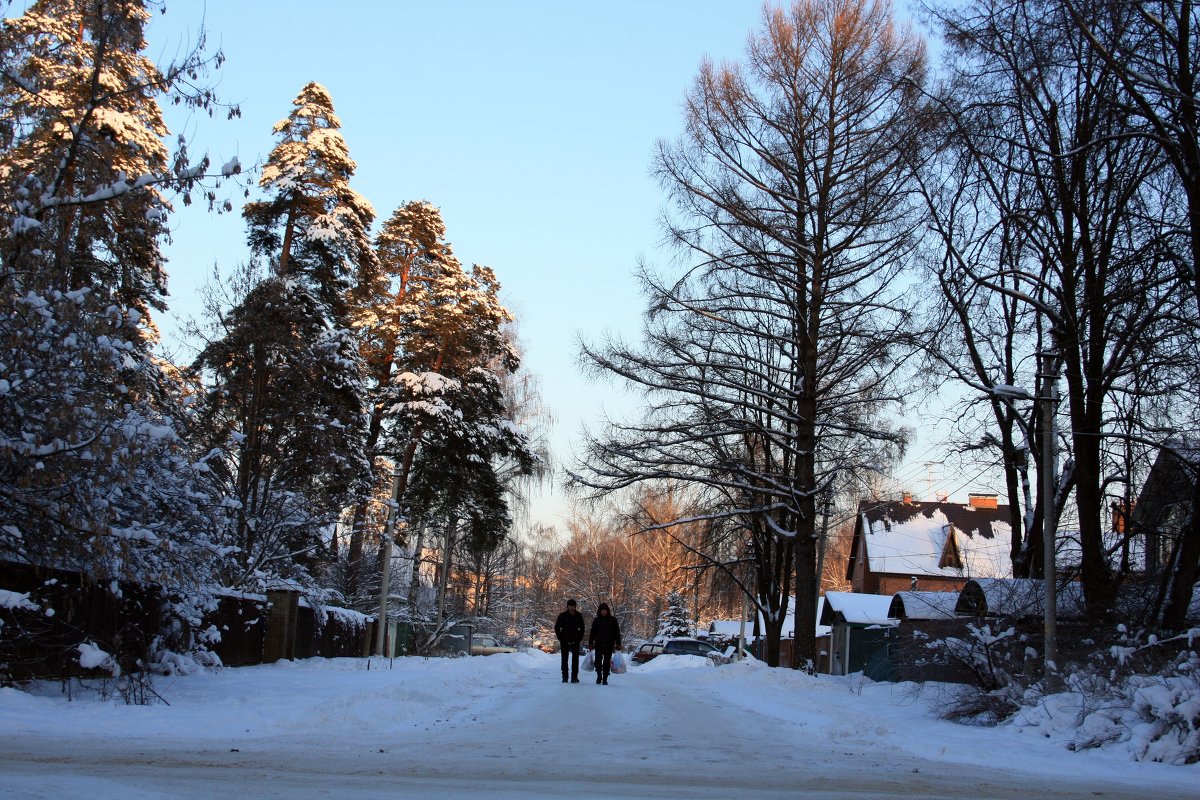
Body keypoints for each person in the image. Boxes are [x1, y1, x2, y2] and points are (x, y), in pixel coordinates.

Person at [587, 602, 622, 685]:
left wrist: (618, 643)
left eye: (605, 610)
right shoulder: (597, 620)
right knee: (598, 661)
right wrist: (590, 643)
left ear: (607, 611)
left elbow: (617, 632)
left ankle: (605, 678)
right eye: (602, 610)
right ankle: (599, 676)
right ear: (599, 611)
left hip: (609, 644)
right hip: (598, 644)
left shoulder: (613, 620)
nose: (603, 612)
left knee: (606, 662)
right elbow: (593, 633)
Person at [554, 598, 585, 683]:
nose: (571, 608)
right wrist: (560, 637)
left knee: (575, 660)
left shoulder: (579, 616)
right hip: (564, 641)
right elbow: (557, 627)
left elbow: (582, 628)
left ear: (575, 607)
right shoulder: (562, 615)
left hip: (575, 641)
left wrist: (579, 638)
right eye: (570, 606)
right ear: (567, 606)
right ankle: (565, 677)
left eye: (573, 606)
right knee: (564, 660)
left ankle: (574, 677)